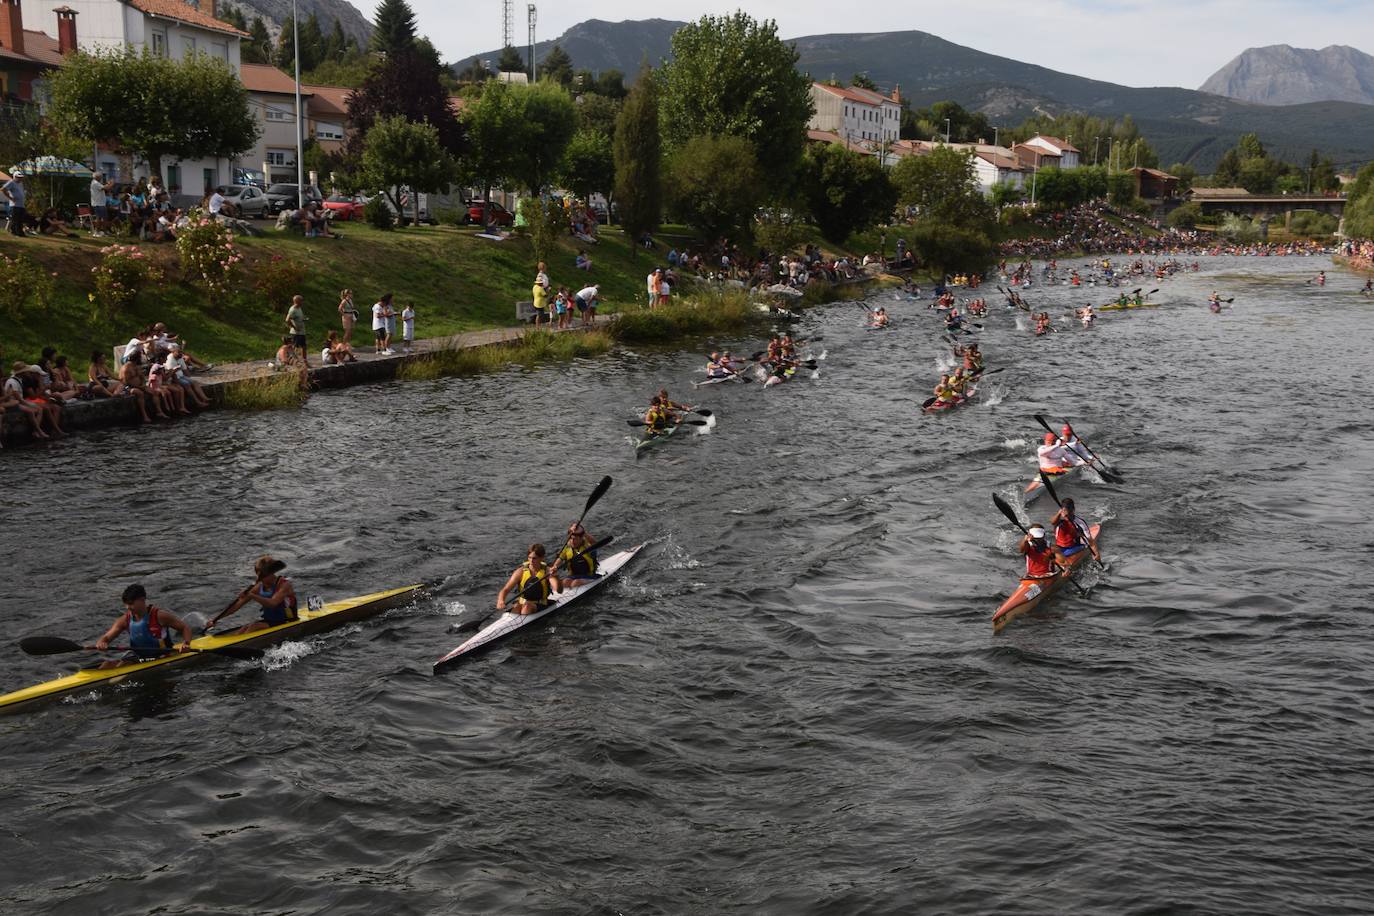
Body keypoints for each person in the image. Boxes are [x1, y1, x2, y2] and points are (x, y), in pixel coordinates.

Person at [93, 584, 193, 668]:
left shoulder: (160, 616)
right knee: (106, 665)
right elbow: (106, 637)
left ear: (142, 600)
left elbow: (185, 628)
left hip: (162, 656)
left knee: (120, 665)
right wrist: (102, 642)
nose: (128, 607)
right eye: (126, 604)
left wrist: (186, 643)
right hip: (138, 657)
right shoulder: (125, 619)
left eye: (131, 604)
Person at [214, 556, 299, 634]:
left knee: (254, 627)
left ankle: (244, 645)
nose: (261, 579)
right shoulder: (259, 586)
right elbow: (236, 605)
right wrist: (215, 620)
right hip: (270, 620)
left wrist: (252, 595)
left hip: (288, 620)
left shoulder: (284, 585)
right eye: (259, 575)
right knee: (244, 629)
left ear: (271, 573)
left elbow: (272, 603)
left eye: (263, 576)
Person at [496, 544, 560, 616]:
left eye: (534, 558)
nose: (531, 561)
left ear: (541, 558)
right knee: (516, 608)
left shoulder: (547, 571)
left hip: (540, 603)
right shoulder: (520, 571)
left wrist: (555, 576)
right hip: (523, 603)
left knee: (527, 608)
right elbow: (505, 589)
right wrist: (500, 600)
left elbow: (557, 588)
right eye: (529, 558)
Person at [1051, 497, 1101, 565]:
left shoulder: (1080, 523)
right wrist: (1059, 513)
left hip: (1073, 548)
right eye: (1064, 511)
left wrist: (1097, 554)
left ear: (1073, 510)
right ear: (1062, 510)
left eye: (1069, 512)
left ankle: (1063, 562)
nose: (1066, 515)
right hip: (1059, 548)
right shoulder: (1059, 520)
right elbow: (1052, 522)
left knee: (1083, 546)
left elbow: (1091, 542)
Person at [165, 343, 210, 407]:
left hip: (181, 376)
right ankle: (197, 402)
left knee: (194, 382)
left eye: (181, 352)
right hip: (174, 378)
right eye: (179, 352)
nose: (181, 354)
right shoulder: (170, 360)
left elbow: (185, 371)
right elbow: (171, 374)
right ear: (173, 352)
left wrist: (190, 378)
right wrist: (178, 382)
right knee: (187, 384)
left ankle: (204, 398)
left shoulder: (180, 358)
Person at [285, 295, 310, 367]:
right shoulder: (293, 309)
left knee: (304, 347)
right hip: (296, 332)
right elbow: (287, 320)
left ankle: (304, 362)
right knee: (295, 348)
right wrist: (294, 328)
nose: (302, 302)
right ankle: (292, 362)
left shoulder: (299, 308)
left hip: (302, 331)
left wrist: (304, 319)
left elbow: (297, 318)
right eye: (301, 300)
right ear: (297, 301)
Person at [90, 172, 112, 236]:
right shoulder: (95, 183)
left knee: (103, 218)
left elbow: (104, 187)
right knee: (99, 218)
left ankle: (103, 231)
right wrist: (111, 184)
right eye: (100, 177)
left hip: (100, 203)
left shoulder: (96, 183)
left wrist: (108, 184)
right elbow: (105, 188)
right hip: (98, 204)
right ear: (97, 177)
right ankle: (97, 232)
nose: (101, 178)